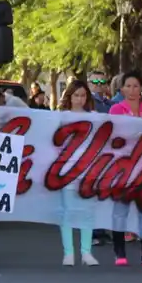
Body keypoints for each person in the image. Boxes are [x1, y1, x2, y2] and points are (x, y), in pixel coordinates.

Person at [106, 71, 142, 267]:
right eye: (128, 86)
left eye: (136, 86)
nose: (132, 90)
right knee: (120, 210)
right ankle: (119, 251)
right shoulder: (116, 110)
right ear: (121, 89)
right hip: (122, 168)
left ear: (141, 88)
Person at [57, 81, 100, 266]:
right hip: (66, 169)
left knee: (87, 211)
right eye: (76, 95)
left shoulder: (94, 117)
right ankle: (68, 252)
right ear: (70, 96)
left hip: (88, 169)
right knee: (67, 211)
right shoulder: (61, 117)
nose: (80, 99)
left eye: (83, 96)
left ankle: (86, 252)